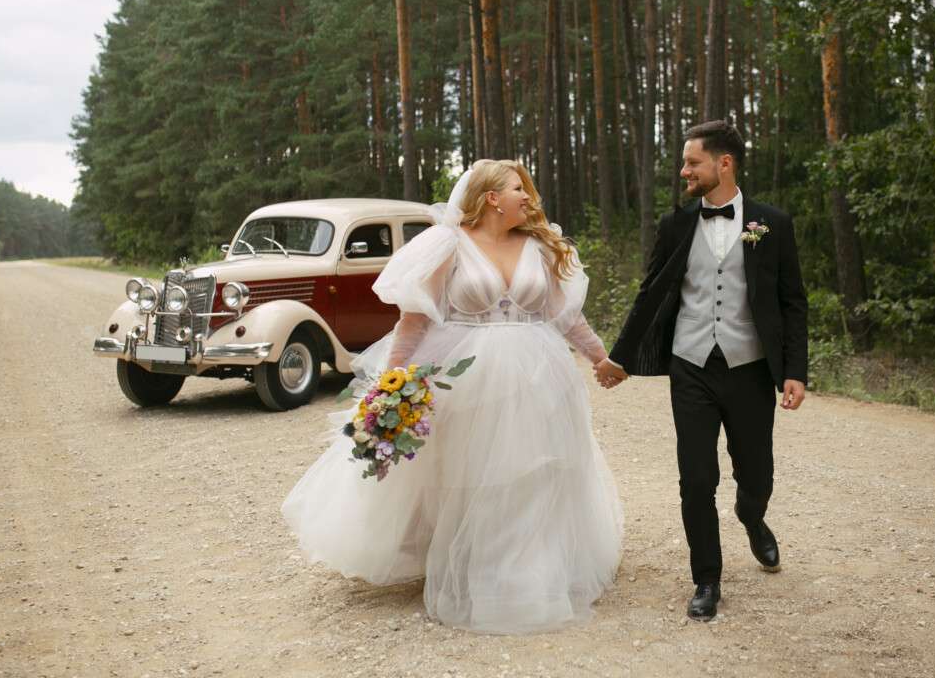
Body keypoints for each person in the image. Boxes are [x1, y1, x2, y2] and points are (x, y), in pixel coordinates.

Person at [282, 159, 623, 635]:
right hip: (469, 375)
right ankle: (477, 564)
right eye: (517, 189)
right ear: (491, 198)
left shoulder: (539, 247)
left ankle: (527, 572)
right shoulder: (450, 244)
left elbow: (564, 316)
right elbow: (415, 320)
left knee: (535, 472)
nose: (528, 197)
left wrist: (600, 358)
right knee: (477, 474)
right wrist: (392, 380)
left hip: (538, 373)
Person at [594, 120, 808, 621]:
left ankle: (752, 517)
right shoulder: (675, 225)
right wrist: (620, 358)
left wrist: (795, 369)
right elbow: (650, 293)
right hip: (690, 365)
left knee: (756, 473)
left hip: (751, 368)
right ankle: (707, 579)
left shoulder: (771, 223)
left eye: (693, 161)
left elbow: (792, 301)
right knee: (696, 478)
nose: (683, 170)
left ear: (724, 163)